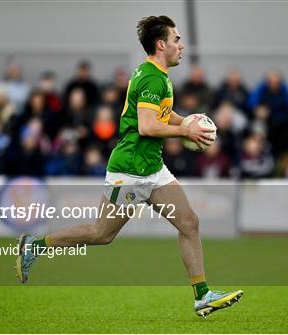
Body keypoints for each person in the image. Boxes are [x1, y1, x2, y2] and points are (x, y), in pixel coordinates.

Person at [14, 15, 243, 318]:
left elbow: (161, 114)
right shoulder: (151, 77)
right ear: (161, 44)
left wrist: (186, 121)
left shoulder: (157, 75)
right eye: (176, 39)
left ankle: (202, 296)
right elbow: (148, 127)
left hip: (153, 168)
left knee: (189, 223)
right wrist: (185, 131)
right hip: (130, 172)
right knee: (101, 234)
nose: (181, 45)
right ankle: (36, 244)